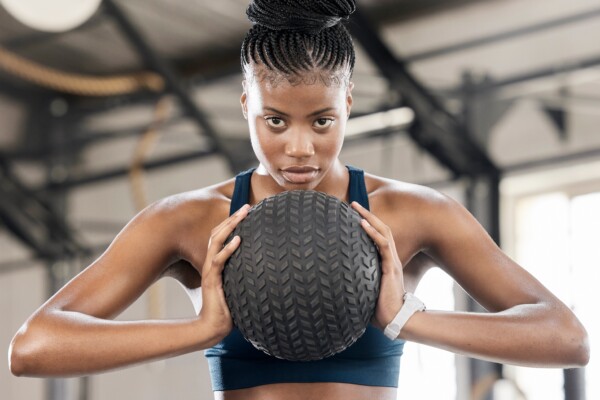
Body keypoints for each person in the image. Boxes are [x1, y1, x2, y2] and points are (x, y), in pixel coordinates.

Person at [9, 1, 589, 399]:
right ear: (244, 105)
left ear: (350, 105)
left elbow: (567, 338)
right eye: (275, 120)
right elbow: (35, 347)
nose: (299, 149)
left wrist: (406, 318)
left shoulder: (411, 213)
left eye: (322, 120)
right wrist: (202, 329)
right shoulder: (190, 221)